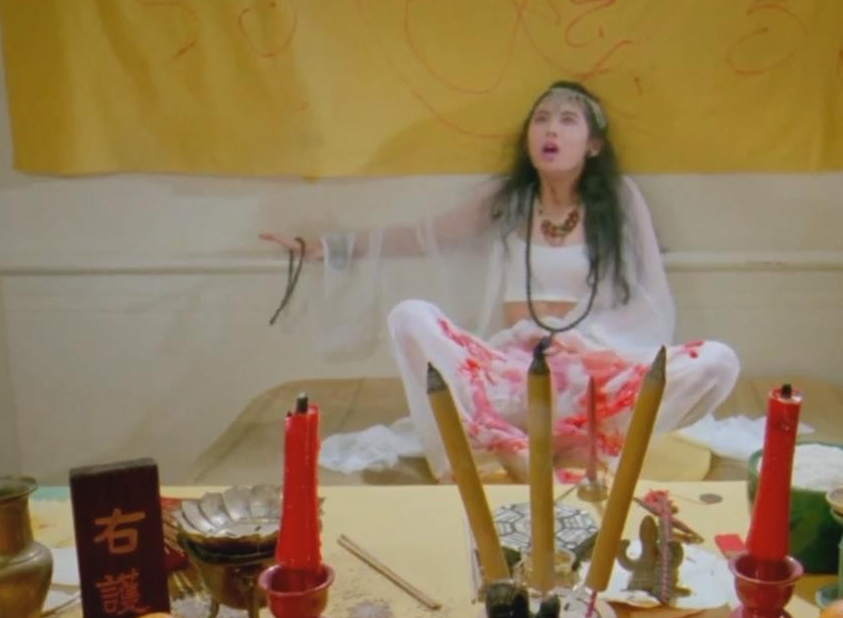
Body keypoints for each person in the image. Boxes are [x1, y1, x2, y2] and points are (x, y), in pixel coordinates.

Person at [261, 81, 739, 482]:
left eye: (567, 120)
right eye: (541, 119)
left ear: (593, 145)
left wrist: (586, 344)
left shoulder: (620, 199)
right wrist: (331, 248)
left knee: (717, 361)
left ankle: (571, 443)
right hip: (510, 374)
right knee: (409, 317)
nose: (551, 129)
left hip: (588, 376)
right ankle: (514, 443)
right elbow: (426, 235)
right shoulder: (509, 200)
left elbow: (652, 301)